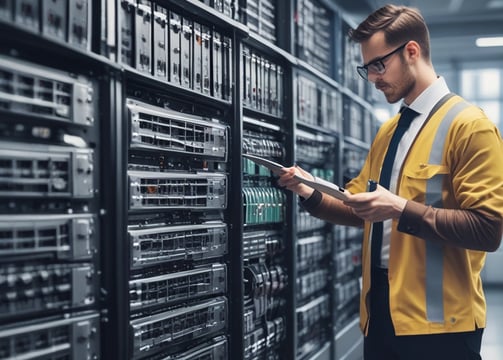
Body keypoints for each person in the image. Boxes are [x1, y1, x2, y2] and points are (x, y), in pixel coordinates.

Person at [277, 4, 503, 360]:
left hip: (442, 326)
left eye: (378, 65)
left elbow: (487, 229)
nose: (373, 78)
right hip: (380, 312)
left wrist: (399, 208)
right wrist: (309, 190)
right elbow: (362, 209)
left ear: (411, 51)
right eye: (366, 68)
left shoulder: (470, 126)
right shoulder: (388, 132)